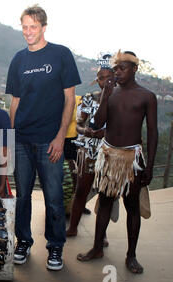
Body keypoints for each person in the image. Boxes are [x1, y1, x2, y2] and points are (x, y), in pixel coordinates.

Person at [6, 5, 81, 270]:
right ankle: (23, 241)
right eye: (24, 27)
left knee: (53, 197)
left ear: (44, 27)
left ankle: (55, 247)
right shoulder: (18, 59)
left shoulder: (61, 55)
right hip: (23, 140)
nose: (28, 32)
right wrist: (11, 139)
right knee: (23, 195)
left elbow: (69, 99)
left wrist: (61, 137)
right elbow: (15, 102)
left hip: (50, 140)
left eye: (33, 27)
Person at [77, 51, 158, 274]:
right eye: (116, 69)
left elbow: (152, 132)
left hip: (132, 159)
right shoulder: (110, 93)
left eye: (122, 68)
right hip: (110, 155)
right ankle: (97, 248)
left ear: (134, 69)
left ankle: (131, 256)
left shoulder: (146, 96)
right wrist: (106, 95)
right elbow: (98, 122)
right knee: (104, 202)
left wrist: (149, 166)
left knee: (132, 206)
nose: (118, 72)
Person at [66, 53, 118, 242]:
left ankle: (101, 234)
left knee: (105, 194)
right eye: (100, 78)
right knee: (81, 189)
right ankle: (73, 227)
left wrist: (106, 133)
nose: (103, 81)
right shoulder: (89, 98)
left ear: (114, 77)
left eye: (107, 77)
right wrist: (86, 131)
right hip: (88, 151)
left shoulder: (120, 99)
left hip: (110, 153)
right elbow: (79, 124)